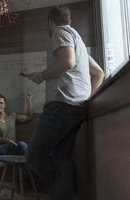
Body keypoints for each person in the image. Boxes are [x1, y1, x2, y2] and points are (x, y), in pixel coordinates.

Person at [22, 6, 104, 200]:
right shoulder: (80, 44)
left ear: (50, 22)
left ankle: (58, 192)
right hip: (77, 107)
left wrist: (41, 76)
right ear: (69, 19)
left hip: (62, 104)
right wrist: (88, 97)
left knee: (34, 156)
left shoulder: (60, 31)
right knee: (61, 157)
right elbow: (99, 73)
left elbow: (67, 62)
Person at [0, 93, 34, 184]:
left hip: (13, 147)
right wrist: (6, 141)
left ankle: (22, 181)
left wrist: (29, 100)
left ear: (5, 105)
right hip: (1, 148)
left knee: (23, 145)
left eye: (1, 103)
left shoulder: (12, 116)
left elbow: (29, 116)